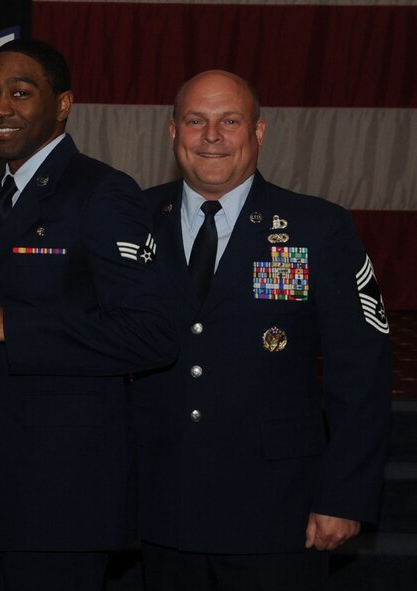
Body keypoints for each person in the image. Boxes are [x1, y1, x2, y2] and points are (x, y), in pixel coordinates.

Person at [0, 39, 177, 591]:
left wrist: (12, 323)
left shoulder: (102, 192)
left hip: (64, 499)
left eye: (21, 93)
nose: (0, 108)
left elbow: (152, 334)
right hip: (0, 487)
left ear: (62, 105)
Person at [130, 70, 392, 590]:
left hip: (277, 510)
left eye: (230, 121)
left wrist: (343, 496)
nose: (211, 137)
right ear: (172, 132)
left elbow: (361, 370)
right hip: (159, 504)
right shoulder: (132, 219)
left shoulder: (318, 227)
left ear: (259, 132)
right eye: (195, 121)